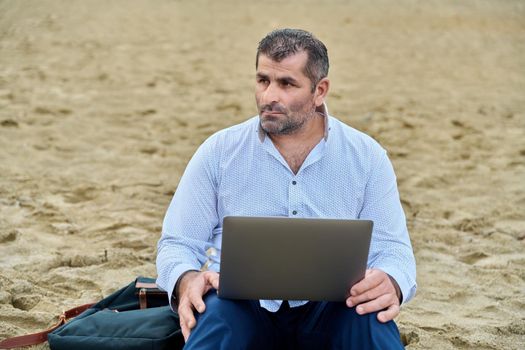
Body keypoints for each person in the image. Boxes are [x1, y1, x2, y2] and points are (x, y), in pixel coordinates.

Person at [156, 28, 417, 349]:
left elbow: (394, 250)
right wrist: (186, 280)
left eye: (286, 84)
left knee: (371, 319)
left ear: (320, 90)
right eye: (263, 80)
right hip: (238, 307)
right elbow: (177, 243)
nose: (269, 96)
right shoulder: (219, 151)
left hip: (335, 308)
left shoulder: (367, 157)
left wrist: (391, 281)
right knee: (215, 319)